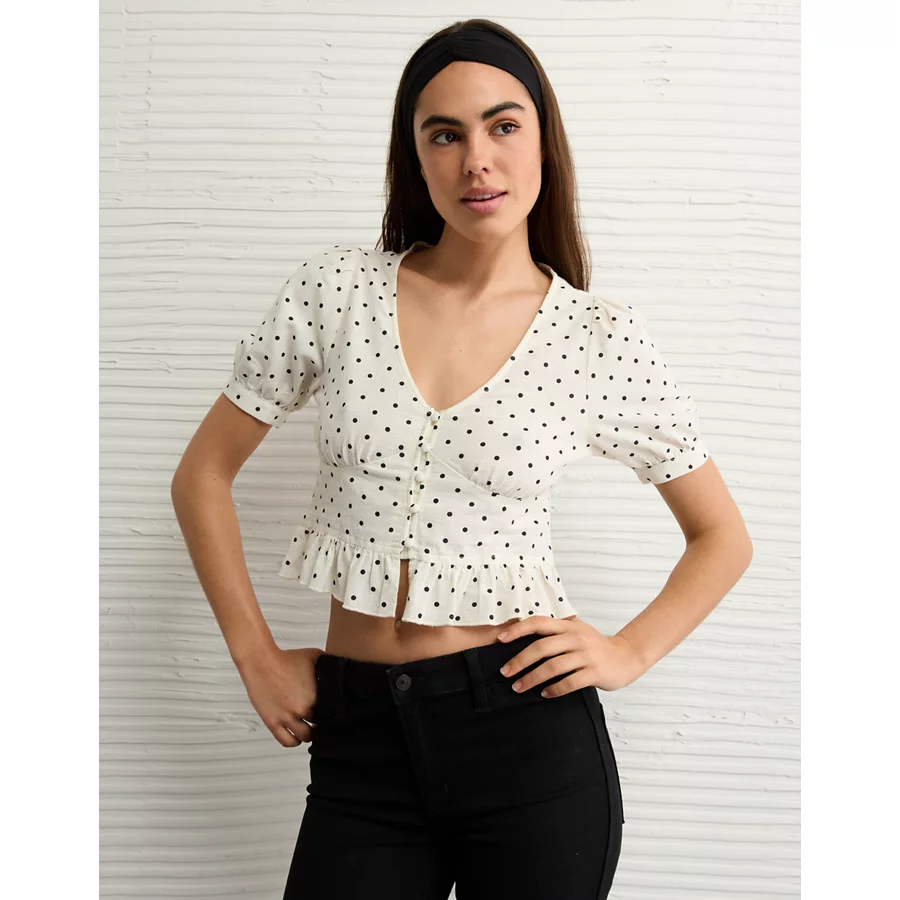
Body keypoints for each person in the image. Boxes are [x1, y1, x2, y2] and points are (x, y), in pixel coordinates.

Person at [171, 18, 752, 900]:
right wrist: (254, 656)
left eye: (503, 125)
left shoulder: (598, 337)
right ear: (415, 158)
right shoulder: (339, 291)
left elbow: (722, 537)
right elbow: (203, 475)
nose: (477, 159)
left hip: (530, 742)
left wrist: (627, 653)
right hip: (360, 740)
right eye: (444, 134)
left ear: (544, 142)